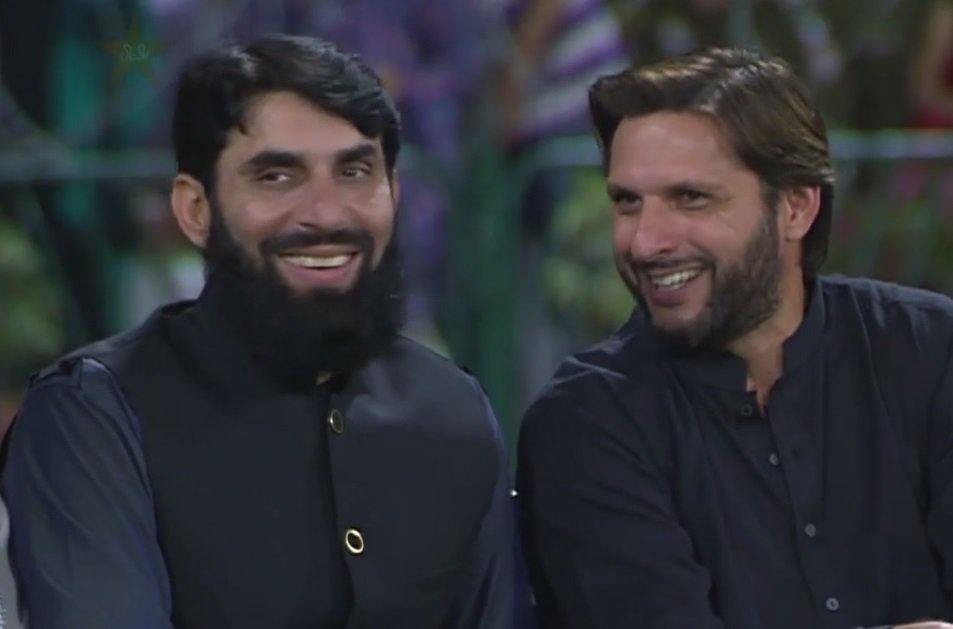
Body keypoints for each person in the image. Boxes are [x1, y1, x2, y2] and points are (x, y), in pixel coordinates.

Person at [2, 34, 528, 629]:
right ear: (195, 210)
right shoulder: (94, 416)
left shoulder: (454, 411)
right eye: (276, 176)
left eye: (355, 171)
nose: (326, 213)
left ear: (394, 193)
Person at [516, 46, 953, 629]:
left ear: (796, 207)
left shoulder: (930, 352)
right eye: (627, 203)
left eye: (690, 198)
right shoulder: (588, 421)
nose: (645, 242)